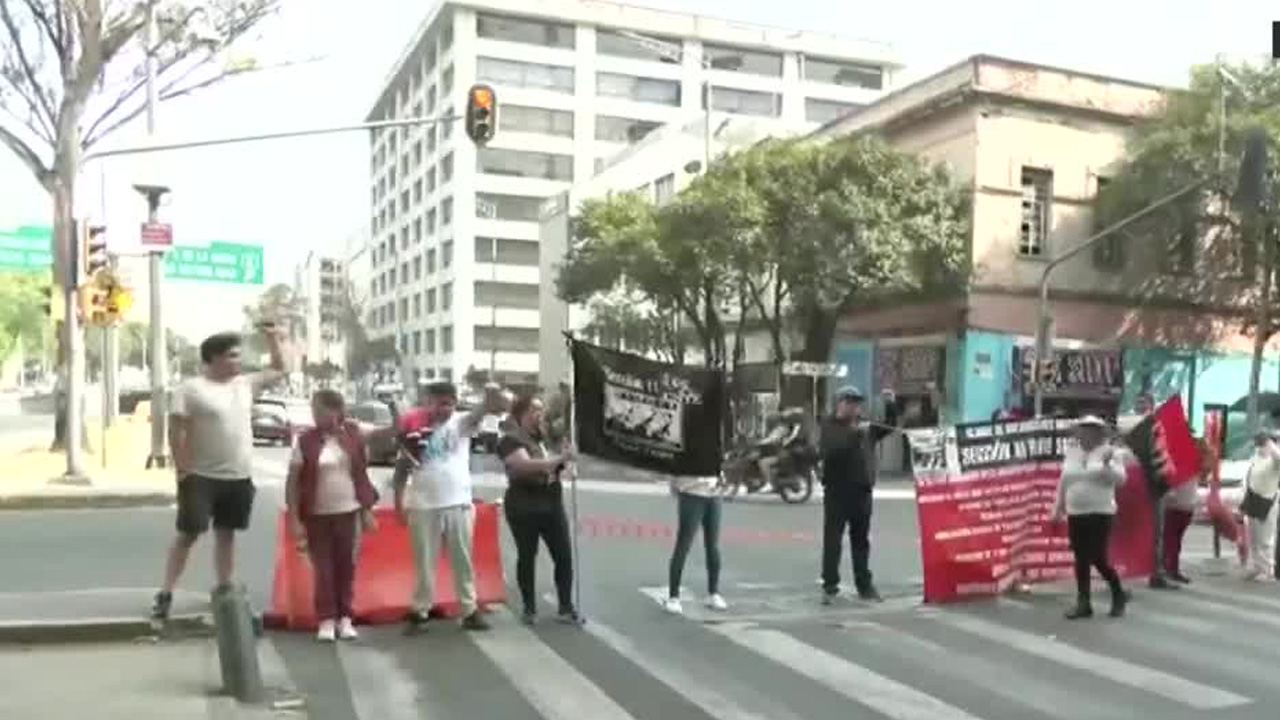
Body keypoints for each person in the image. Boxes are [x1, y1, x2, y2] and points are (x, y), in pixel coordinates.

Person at [151, 327, 286, 624]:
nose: (238, 361)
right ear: (214, 358)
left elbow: (278, 370)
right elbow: (176, 430)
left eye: (239, 355)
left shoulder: (244, 384)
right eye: (232, 356)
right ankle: (166, 592)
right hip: (201, 476)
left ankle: (225, 589)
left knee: (227, 534)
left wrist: (273, 340)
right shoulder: (191, 389)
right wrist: (183, 470)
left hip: (238, 476)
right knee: (189, 534)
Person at [394, 381, 508, 633]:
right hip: (423, 505)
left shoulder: (461, 423)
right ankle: (419, 611)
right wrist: (399, 503)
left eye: (449, 403)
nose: (443, 409)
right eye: (438, 403)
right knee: (425, 563)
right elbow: (401, 469)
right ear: (427, 402)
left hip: (458, 503)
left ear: (455, 403)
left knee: (462, 560)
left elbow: (484, 409)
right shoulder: (415, 428)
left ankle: (469, 610)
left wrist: (490, 394)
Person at [285, 390, 381, 642]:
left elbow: (362, 474)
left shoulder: (353, 435)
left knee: (346, 567)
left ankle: (345, 618)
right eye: (313, 410)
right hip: (316, 515)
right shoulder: (306, 440)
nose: (315, 415)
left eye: (320, 410)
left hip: (348, 512)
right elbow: (292, 482)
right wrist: (294, 518)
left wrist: (366, 510)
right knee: (324, 569)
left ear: (336, 411)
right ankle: (326, 619)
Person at [497, 394, 580, 625]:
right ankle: (529, 607)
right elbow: (524, 466)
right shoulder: (510, 440)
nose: (539, 415)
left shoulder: (546, 440)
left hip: (551, 501)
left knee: (563, 555)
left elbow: (560, 466)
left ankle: (565, 606)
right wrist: (559, 459)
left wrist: (567, 461)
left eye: (541, 410)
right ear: (521, 415)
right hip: (524, 503)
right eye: (534, 410)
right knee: (527, 555)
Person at [819, 386, 899, 605]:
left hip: (862, 491)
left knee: (861, 541)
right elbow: (832, 451)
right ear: (839, 403)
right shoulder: (829, 425)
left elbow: (889, 427)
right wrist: (856, 434)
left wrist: (891, 405)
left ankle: (864, 585)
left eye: (856, 403)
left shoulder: (865, 426)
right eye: (849, 402)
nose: (854, 407)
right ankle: (830, 585)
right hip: (837, 491)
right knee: (833, 540)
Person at [1051, 415, 1129, 619]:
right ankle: (1083, 602)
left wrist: (1106, 467)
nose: (1085, 434)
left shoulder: (1110, 452)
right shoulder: (1072, 453)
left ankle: (1118, 592)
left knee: (1098, 557)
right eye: (1083, 430)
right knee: (1081, 559)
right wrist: (1057, 508)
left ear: (1098, 433)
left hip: (1101, 512)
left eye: (1090, 430)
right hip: (1076, 512)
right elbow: (1064, 481)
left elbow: (1120, 480)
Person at [663, 470, 728, 615]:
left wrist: (722, 479)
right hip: (692, 495)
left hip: (713, 495)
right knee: (683, 545)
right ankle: (673, 597)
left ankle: (713, 593)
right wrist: (675, 484)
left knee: (712, 545)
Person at [1161, 437, 1206, 584]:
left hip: (1182, 506)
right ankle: (1170, 569)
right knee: (1172, 540)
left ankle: (1170, 568)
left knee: (1173, 540)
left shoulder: (1189, 464)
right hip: (1179, 506)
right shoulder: (1181, 464)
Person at [1241, 429, 1279, 581]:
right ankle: (1257, 567)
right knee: (1253, 537)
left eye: (1263, 444)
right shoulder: (1256, 457)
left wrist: (1270, 443)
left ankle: (1267, 570)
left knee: (1265, 539)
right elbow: (1249, 477)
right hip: (1252, 499)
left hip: (1267, 501)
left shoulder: (1274, 460)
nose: (1260, 447)